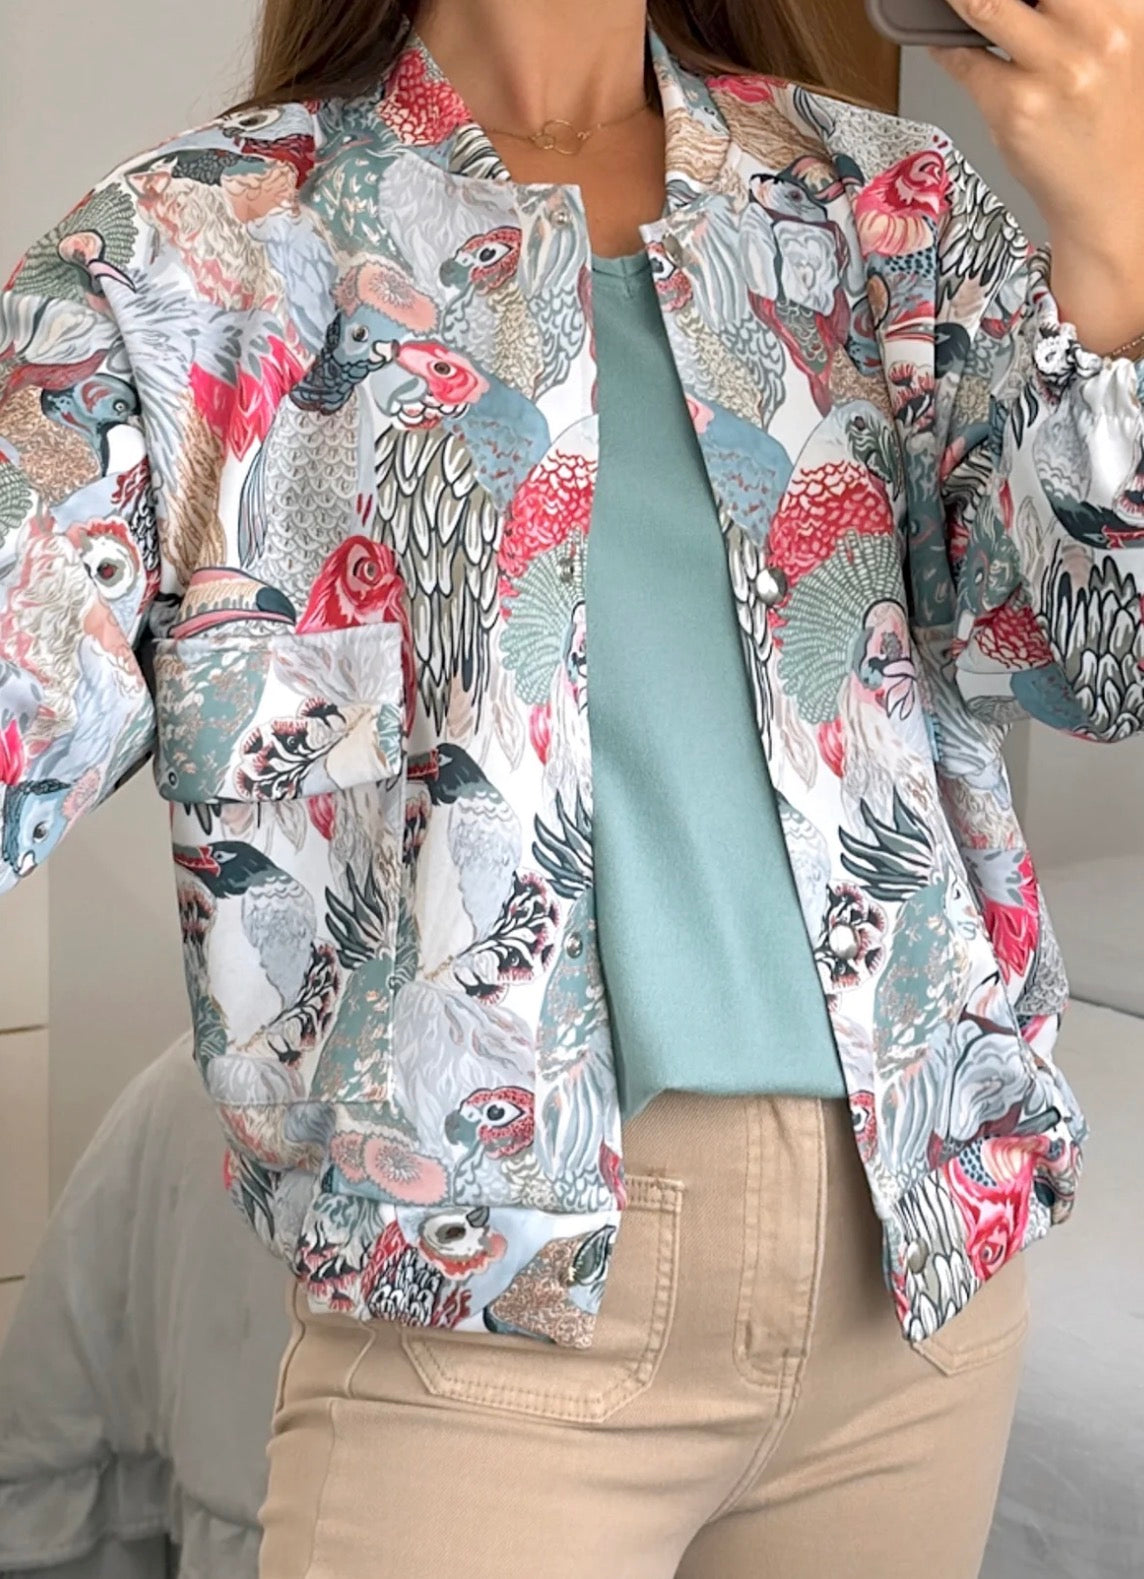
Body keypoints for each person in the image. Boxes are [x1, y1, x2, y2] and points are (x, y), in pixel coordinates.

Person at [1, 0, 1142, 1573]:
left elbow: (1101, 663)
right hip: (481, 1307)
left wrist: (1119, 258)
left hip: (913, 1284)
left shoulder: (888, 208)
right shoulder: (183, 256)